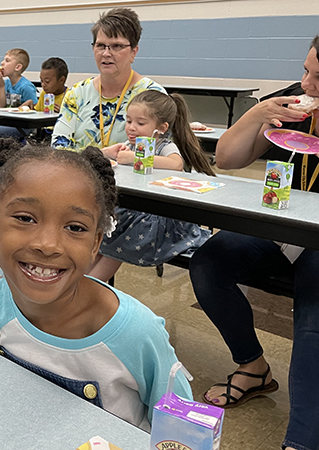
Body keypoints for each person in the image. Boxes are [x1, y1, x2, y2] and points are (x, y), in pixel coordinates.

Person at [0, 139, 192, 429]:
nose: (48, 245)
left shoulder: (137, 335)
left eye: (75, 227)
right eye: (25, 218)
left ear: (96, 243)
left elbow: (183, 432)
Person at [190, 36, 319, 450]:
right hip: (281, 231)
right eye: (305, 71)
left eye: (318, 78)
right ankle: (253, 367)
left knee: (313, 313)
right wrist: (259, 113)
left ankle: (300, 440)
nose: (306, 84)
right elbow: (226, 158)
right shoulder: (293, 103)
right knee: (210, 262)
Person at [90, 90, 214, 281]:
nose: (131, 128)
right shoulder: (129, 145)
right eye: (128, 121)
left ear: (162, 128)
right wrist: (108, 152)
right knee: (101, 232)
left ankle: (89, 286)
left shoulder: (164, 145)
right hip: (132, 209)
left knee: (114, 241)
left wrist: (137, 157)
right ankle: (79, 281)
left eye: (140, 123)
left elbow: (176, 164)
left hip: (155, 218)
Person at [51, 7, 164, 150]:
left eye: (116, 46)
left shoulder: (152, 95)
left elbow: (161, 153)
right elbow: (58, 149)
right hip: (80, 172)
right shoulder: (77, 93)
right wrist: (101, 157)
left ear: (133, 52)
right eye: (100, 45)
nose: (106, 53)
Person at [0, 48, 38, 141]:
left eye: (7, 60)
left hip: (23, 126)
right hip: (9, 122)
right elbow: (1, 106)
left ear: (17, 67)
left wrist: (25, 106)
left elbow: (35, 107)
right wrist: (1, 85)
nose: (2, 63)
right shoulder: (6, 83)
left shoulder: (26, 86)